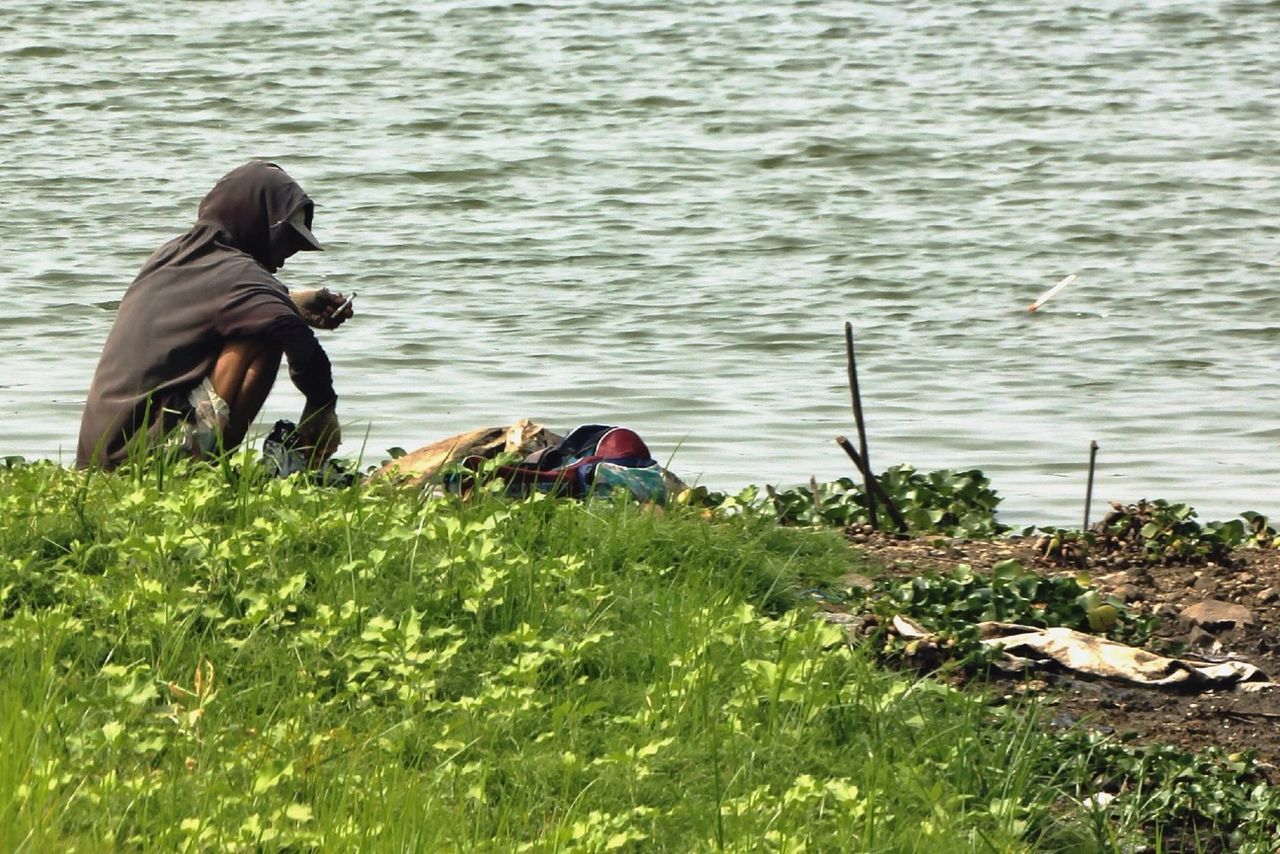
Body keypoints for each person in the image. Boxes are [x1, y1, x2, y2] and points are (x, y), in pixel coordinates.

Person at [76, 160, 353, 470]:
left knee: (262, 319)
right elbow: (289, 329)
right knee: (262, 334)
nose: (284, 257)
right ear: (256, 222)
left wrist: (290, 301)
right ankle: (201, 471)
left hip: (101, 456)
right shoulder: (240, 276)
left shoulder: (172, 254)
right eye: (286, 241)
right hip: (140, 462)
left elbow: (216, 300)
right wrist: (322, 404)